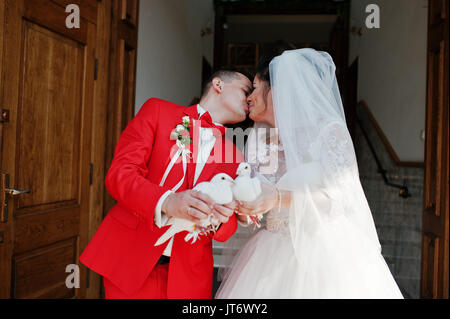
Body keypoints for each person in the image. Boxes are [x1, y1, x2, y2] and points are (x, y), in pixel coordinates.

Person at [215, 49, 404, 299]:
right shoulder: (257, 139)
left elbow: (341, 198)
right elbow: (254, 200)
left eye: (257, 86)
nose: (249, 96)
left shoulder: (328, 133)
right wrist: (244, 209)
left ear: (278, 88)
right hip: (267, 254)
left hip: (324, 252)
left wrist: (278, 198)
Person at [80, 70, 253, 298]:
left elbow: (229, 226)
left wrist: (221, 220)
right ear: (218, 84)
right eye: (246, 91)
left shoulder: (235, 155)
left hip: (189, 277)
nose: (250, 99)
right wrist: (166, 201)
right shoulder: (158, 111)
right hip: (131, 261)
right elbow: (120, 174)